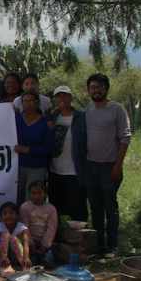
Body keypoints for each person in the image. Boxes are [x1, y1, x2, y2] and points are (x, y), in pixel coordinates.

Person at [84, 73, 131, 257]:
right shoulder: (87, 110)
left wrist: (118, 166)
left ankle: (112, 247)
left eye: (99, 87)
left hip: (110, 166)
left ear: (106, 88)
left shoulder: (116, 109)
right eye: (93, 87)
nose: (96, 90)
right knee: (95, 208)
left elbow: (125, 138)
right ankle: (99, 246)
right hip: (91, 166)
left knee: (110, 207)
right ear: (88, 90)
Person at [48, 85, 88, 221]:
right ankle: (60, 240)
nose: (62, 98)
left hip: (75, 172)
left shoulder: (82, 117)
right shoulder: (52, 117)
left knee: (77, 209)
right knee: (57, 209)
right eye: (58, 96)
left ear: (71, 97)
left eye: (65, 95)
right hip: (54, 171)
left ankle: (80, 240)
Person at [15, 91, 53, 204]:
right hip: (16, 167)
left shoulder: (46, 123)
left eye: (32, 100)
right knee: (16, 198)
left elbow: (48, 149)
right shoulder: (15, 120)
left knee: (31, 200)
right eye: (25, 101)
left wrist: (28, 150)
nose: (29, 103)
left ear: (37, 103)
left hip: (37, 168)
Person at [20, 180, 58, 266]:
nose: (36, 196)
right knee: (30, 261)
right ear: (29, 194)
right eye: (33, 193)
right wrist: (31, 244)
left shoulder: (51, 209)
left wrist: (44, 245)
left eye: (40, 193)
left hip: (45, 243)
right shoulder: (25, 207)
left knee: (49, 262)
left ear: (45, 194)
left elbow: (51, 229)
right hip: (29, 242)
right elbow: (25, 227)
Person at [0, 202, 31, 277]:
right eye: (5, 214)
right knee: (5, 235)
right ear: (1, 217)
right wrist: (3, 256)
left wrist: (26, 257)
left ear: (17, 215)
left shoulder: (22, 227)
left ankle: (24, 265)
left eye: (11, 213)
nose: (8, 216)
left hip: (17, 255)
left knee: (14, 239)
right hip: (2, 254)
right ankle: (5, 266)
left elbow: (26, 243)